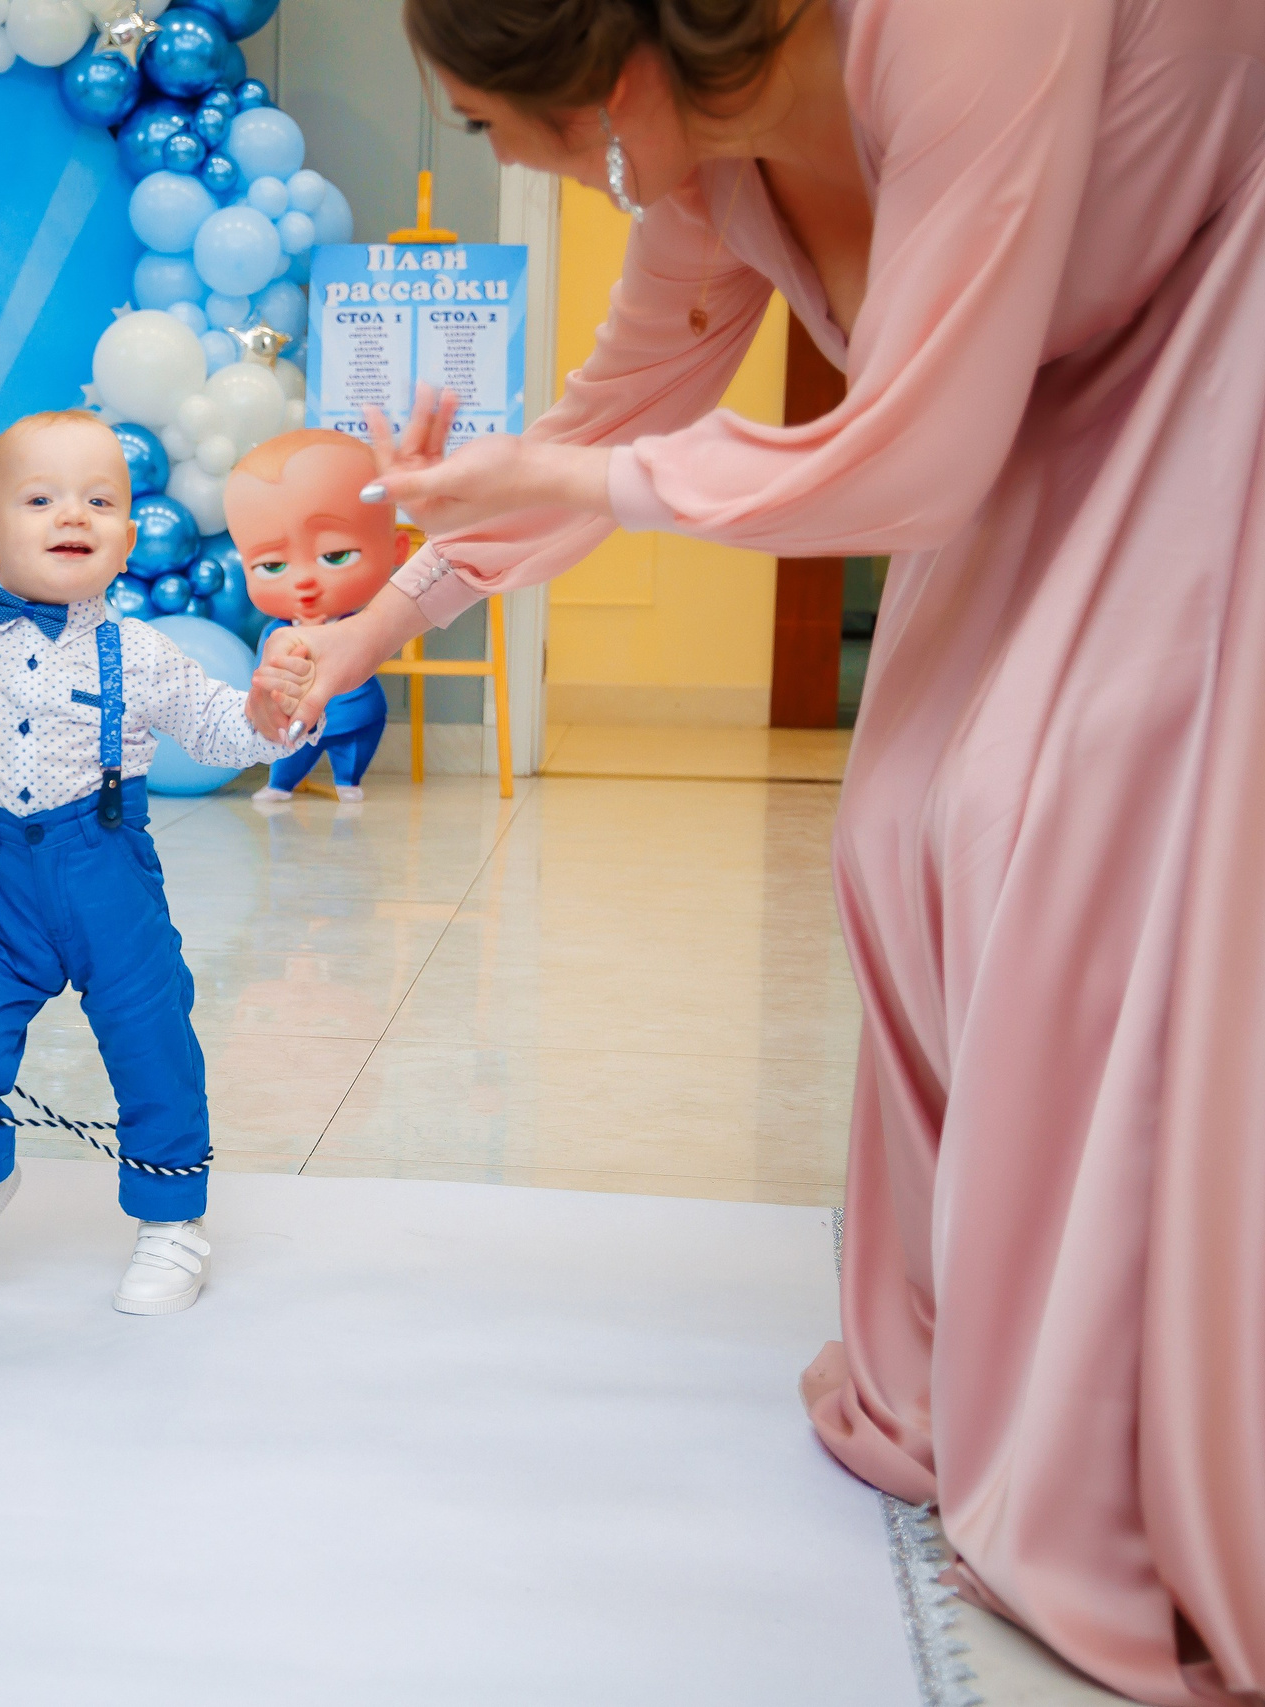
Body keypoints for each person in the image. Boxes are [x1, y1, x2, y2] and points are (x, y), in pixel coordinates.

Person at [257, 1, 1265, 1698]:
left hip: (1214, 338)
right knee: (898, 832)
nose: (518, 168)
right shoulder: (704, 175)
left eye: (500, 130)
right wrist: (375, 625)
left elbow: (917, 456)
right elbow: (610, 417)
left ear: (620, 82)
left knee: (1049, 814)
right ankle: (972, 1358)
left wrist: (597, 474)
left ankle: (1124, 1429)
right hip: (1017, 431)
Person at [0, 398, 294, 1313]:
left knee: (154, 1049)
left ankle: (172, 1221)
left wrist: (267, 713)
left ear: (123, 536)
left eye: (100, 502)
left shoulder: (141, 652)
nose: (74, 515)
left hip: (109, 889)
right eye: (42, 500)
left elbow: (221, 729)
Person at [220, 429, 414, 804]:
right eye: (273, 565)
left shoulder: (368, 625)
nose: (304, 581)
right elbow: (266, 679)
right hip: (293, 725)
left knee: (353, 745)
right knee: (289, 753)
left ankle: (348, 779)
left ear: (397, 548)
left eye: (335, 555)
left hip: (355, 715)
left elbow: (371, 649)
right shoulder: (278, 631)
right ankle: (281, 782)